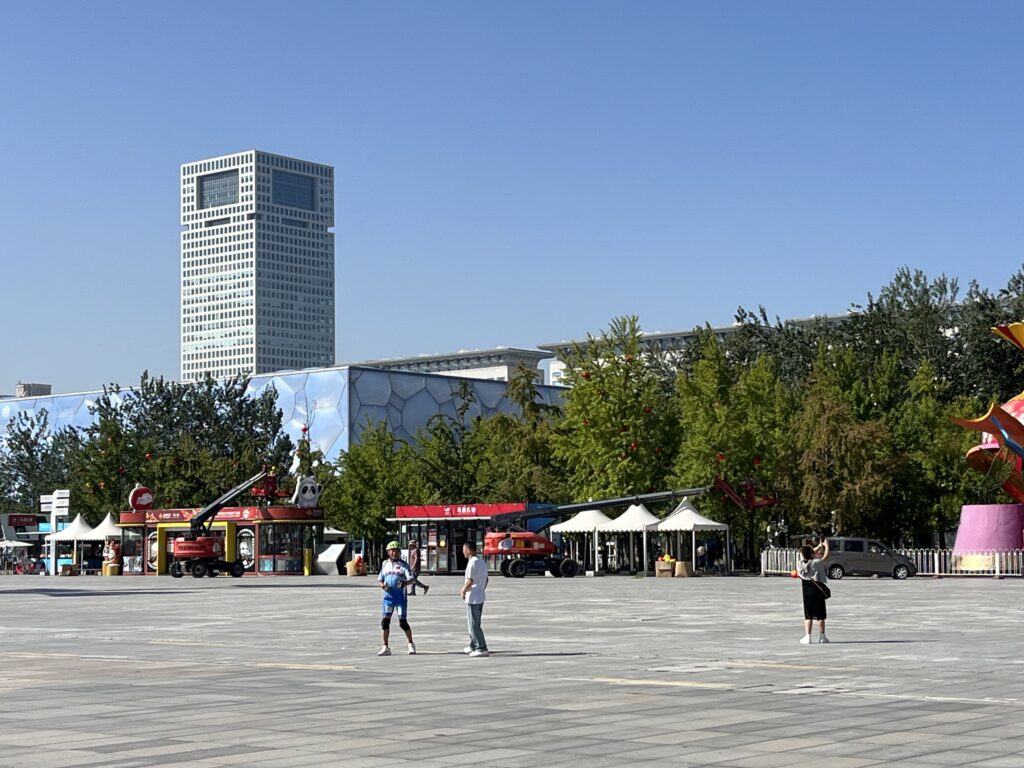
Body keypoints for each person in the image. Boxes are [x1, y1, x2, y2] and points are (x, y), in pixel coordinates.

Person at [377, 541, 417, 656]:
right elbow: (380, 579)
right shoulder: (385, 565)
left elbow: (411, 579)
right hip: (388, 598)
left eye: (397, 550)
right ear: (388, 552)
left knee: (402, 622)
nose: (394, 553)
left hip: (400, 598)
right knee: (385, 622)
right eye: (392, 551)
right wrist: (383, 586)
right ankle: (385, 646)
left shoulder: (404, 565)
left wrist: (405, 583)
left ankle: (410, 643)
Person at [797, 538, 831, 644]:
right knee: (820, 615)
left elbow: (807, 554)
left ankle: (808, 637)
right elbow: (825, 557)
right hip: (818, 591)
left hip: (806, 591)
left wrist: (818, 547)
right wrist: (826, 546)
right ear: (812, 553)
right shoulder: (817, 563)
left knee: (808, 615)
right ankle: (822, 636)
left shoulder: (800, 563)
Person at [460, 540, 489, 657]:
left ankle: (482, 647)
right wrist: (481, 588)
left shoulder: (472, 562)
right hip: (480, 596)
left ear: (469, 550)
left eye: (464, 550)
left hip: (473, 598)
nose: (463, 552)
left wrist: (463, 590)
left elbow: (470, 581)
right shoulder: (481, 562)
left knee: (473, 624)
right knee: (474, 622)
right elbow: (486, 579)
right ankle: (473, 645)